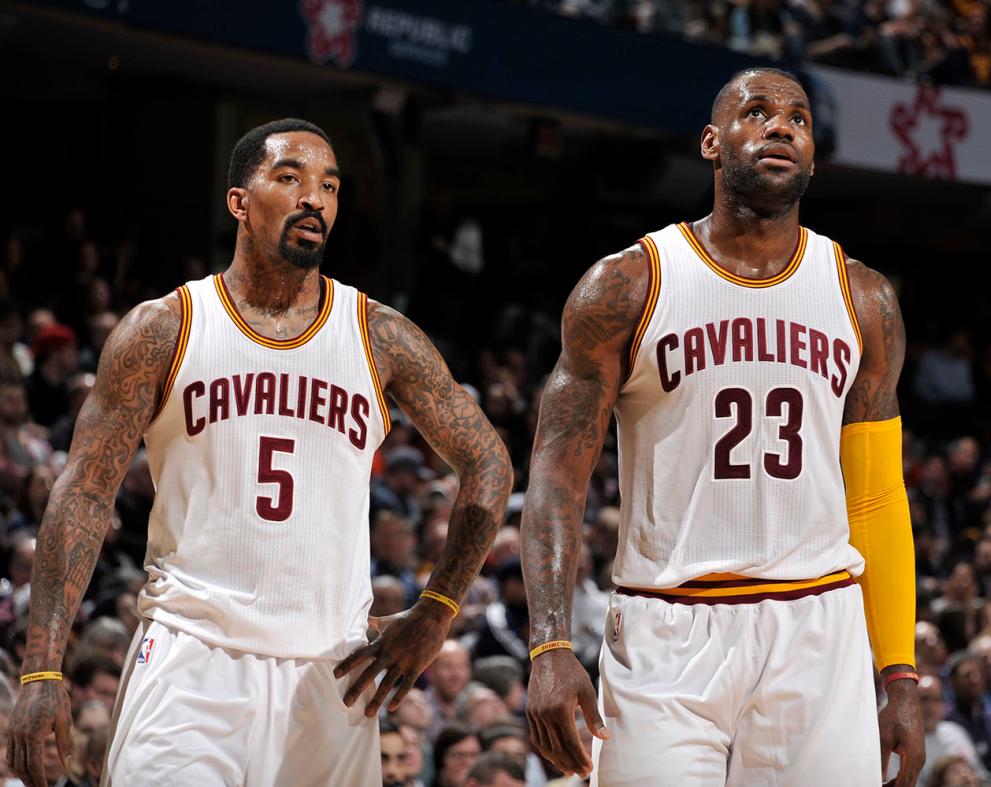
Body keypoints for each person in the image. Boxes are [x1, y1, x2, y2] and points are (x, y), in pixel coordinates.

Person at [7, 117, 513, 787]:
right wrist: (42, 666)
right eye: (290, 177)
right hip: (193, 651)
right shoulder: (165, 327)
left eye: (330, 185)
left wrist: (437, 609)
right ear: (239, 201)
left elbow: (489, 461)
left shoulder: (380, 335)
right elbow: (84, 493)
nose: (315, 197)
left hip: (331, 666)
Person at [521, 67, 925, 785]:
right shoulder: (628, 284)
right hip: (667, 623)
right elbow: (556, 476)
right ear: (711, 142)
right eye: (757, 112)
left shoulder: (863, 298)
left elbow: (876, 500)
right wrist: (549, 644)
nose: (780, 127)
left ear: (811, 152)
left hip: (818, 622)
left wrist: (899, 672)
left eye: (798, 119)